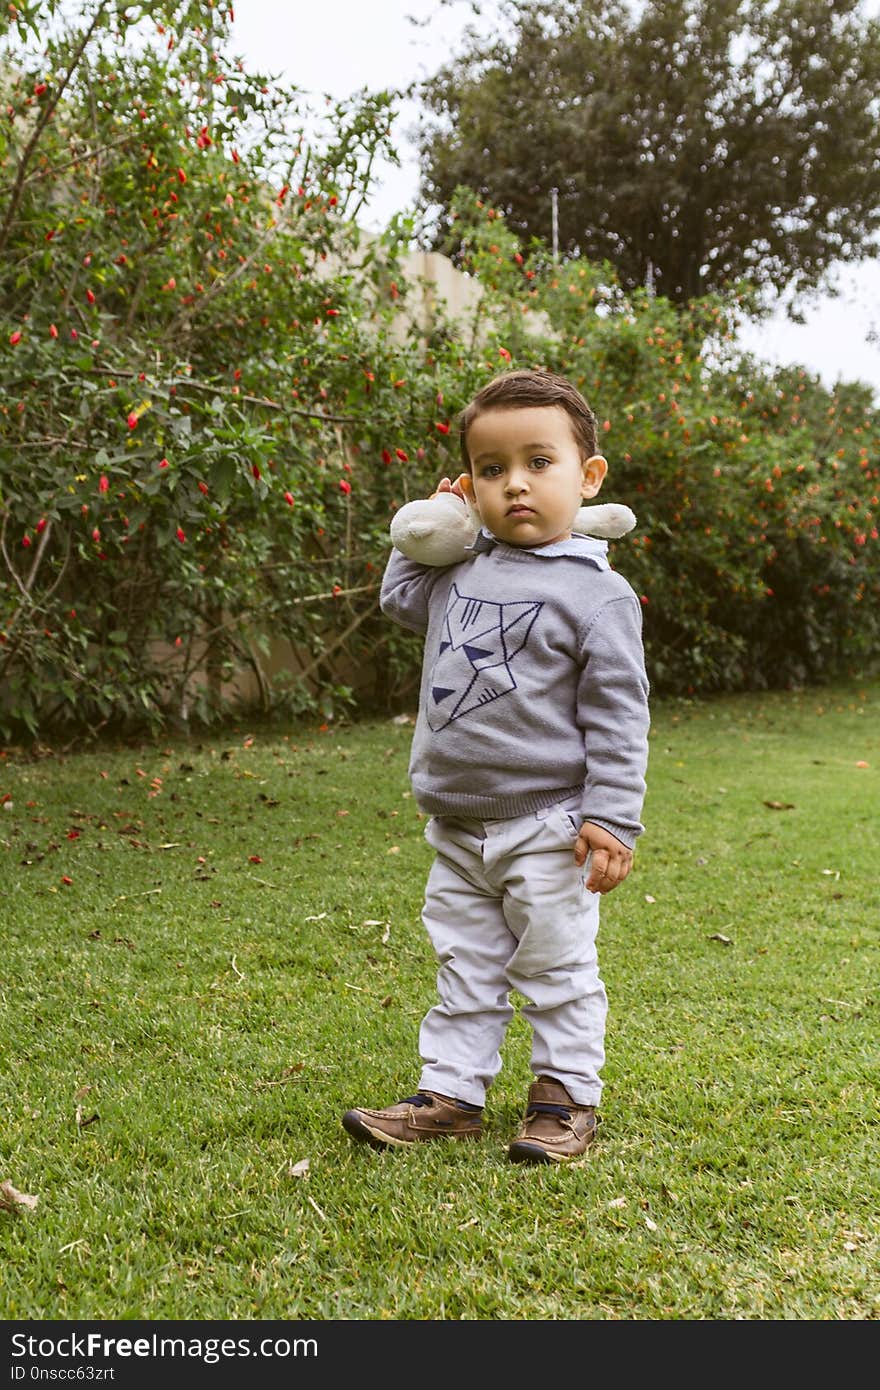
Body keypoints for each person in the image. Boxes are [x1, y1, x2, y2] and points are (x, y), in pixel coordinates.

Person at [342, 368, 650, 1163]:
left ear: (587, 478)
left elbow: (619, 715)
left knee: (554, 966)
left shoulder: (597, 594)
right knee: (465, 962)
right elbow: (398, 598)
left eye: (538, 463)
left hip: (548, 822)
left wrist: (612, 817)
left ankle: (565, 1098)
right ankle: (451, 1093)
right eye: (490, 469)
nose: (514, 484)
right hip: (455, 822)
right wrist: (437, 525)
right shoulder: (462, 572)